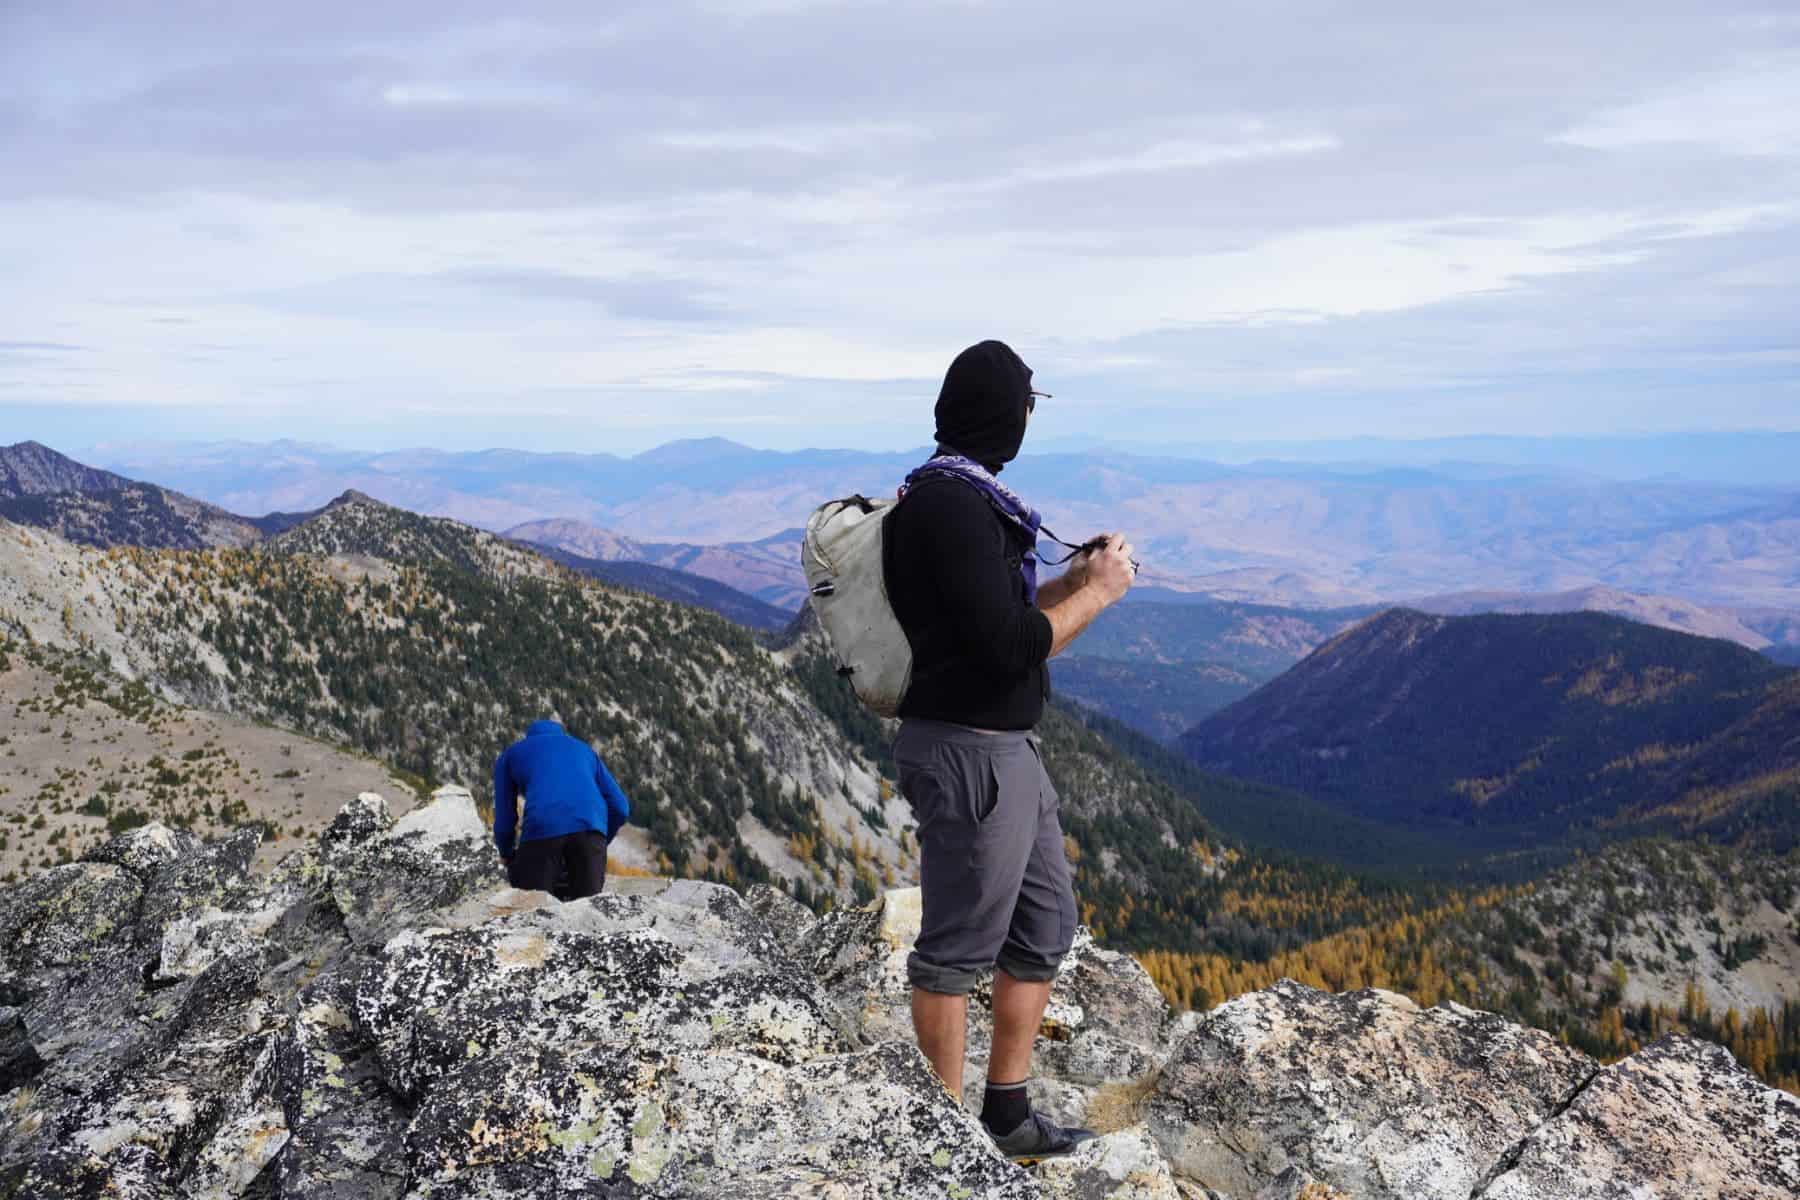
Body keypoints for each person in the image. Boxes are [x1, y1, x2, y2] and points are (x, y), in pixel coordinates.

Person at [882, 339, 1137, 1161]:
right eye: (1027, 404)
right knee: (957, 950)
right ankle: (945, 1140)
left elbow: (1010, 626)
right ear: (1007, 413)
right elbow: (1007, 648)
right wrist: (1096, 592)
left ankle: (1005, 1113)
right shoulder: (951, 509)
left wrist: (1079, 584)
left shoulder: (960, 498)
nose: (1028, 418)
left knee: (1044, 922)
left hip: (1003, 750)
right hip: (969, 755)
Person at [493, 717, 630, 901]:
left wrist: (507, 855)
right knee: (587, 911)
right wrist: (600, 841)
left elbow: (504, 819)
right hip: (590, 830)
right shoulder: (585, 750)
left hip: (542, 831)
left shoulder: (510, 755)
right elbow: (620, 807)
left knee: (534, 910)